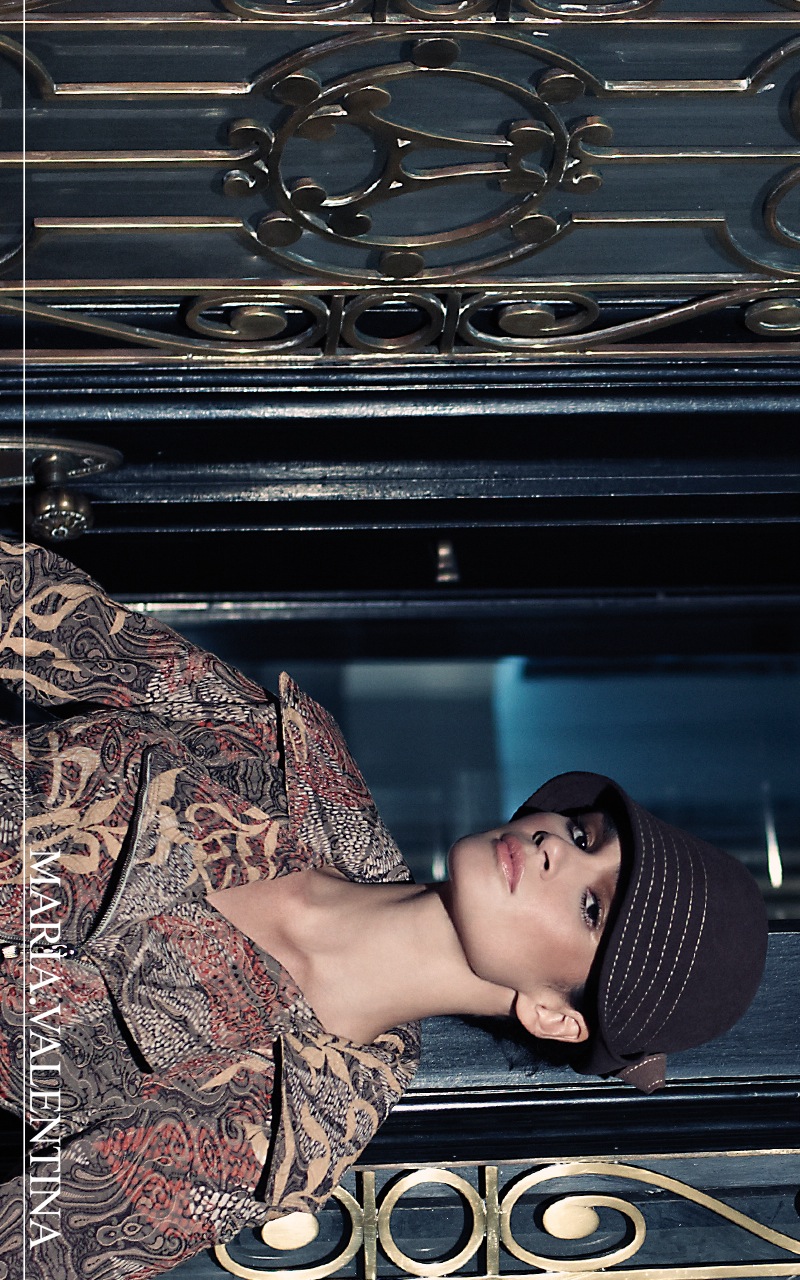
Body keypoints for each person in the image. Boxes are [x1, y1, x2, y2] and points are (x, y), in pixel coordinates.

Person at [0, 539, 768, 1280]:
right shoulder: (293, 760)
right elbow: (37, 611)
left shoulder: (285, 1126)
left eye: (592, 908)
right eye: (583, 834)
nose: (555, 852)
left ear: (552, 1013)